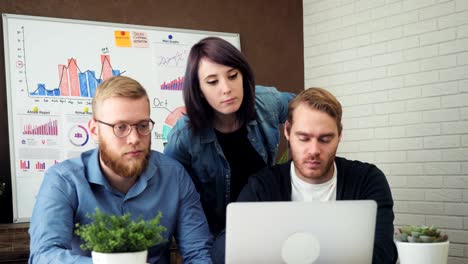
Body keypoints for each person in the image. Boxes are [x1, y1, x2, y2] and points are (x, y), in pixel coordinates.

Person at [29, 76, 213, 264]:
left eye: (142, 126)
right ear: (94, 130)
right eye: (120, 127)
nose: (134, 138)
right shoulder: (63, 180)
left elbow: (198, 253)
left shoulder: (174, 175)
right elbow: (43, 256)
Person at [163, 37, 295, 261]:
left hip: (269, 224)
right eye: (212, 82)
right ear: (199, 89)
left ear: (243, 75)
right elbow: (172, 190)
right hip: (218, 236)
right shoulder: (184, 135)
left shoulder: (266, 101)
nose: (226, 89)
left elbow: (308, 108)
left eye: (233, 76)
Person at [235, 87, 398, 263]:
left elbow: (384, 253)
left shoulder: (367, 180)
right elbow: (231, 248)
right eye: (304, 138)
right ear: (287, 131)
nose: (314, 151)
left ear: (340, 134)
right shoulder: (262, 186)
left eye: (325, 139)